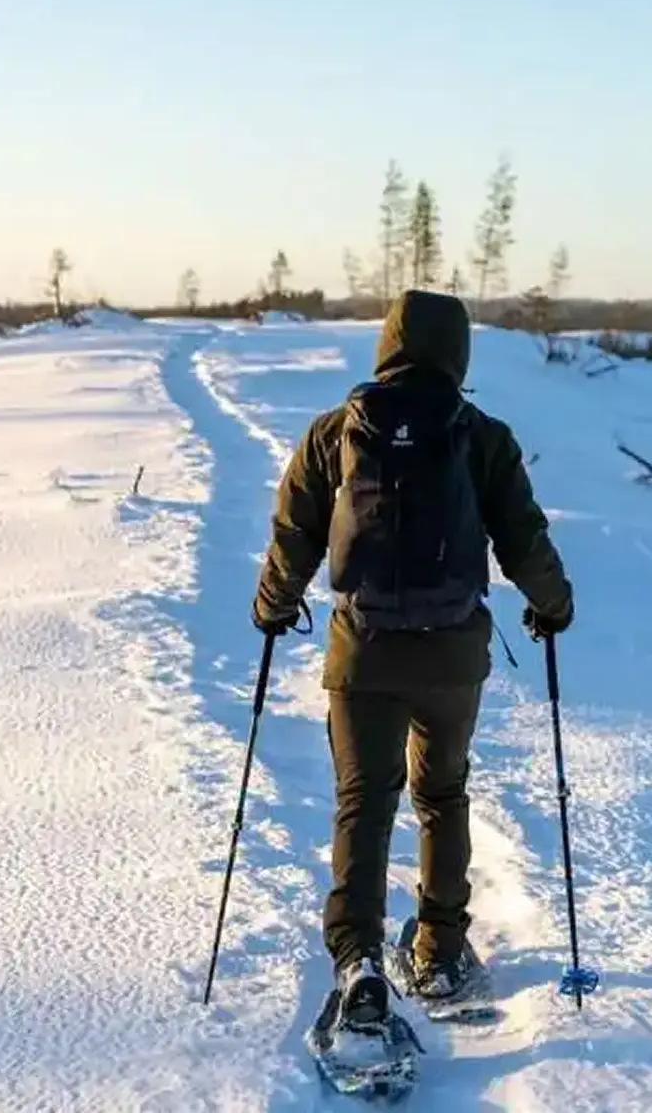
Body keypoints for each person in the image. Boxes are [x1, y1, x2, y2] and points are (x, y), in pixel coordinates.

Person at [250, 288, 573, 1030]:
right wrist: (553, 605)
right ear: (456, 351)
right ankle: (439, 947)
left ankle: (359, 961)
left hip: (363, 654)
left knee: (364, 803)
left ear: (387, 344)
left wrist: (271, 607)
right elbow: (523, 537)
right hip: (453, 657)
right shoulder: (480, 433)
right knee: (442, 795)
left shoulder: (339, 430)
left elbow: (293, 534)